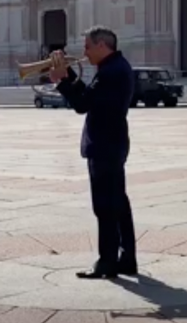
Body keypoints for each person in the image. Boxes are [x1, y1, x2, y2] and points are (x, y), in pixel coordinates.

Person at [48, 25, 137, 279]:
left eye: (87, 46)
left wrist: (63, 80)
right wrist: (69, 79)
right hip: (112, 143)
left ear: (101, 45)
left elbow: (83, 104)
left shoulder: (111, 72)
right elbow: (90, 97)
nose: (84, 52)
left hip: (105, 145)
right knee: (118, 203)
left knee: (105, 206)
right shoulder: (115, 68)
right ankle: (126, 257)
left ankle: (107, 262)